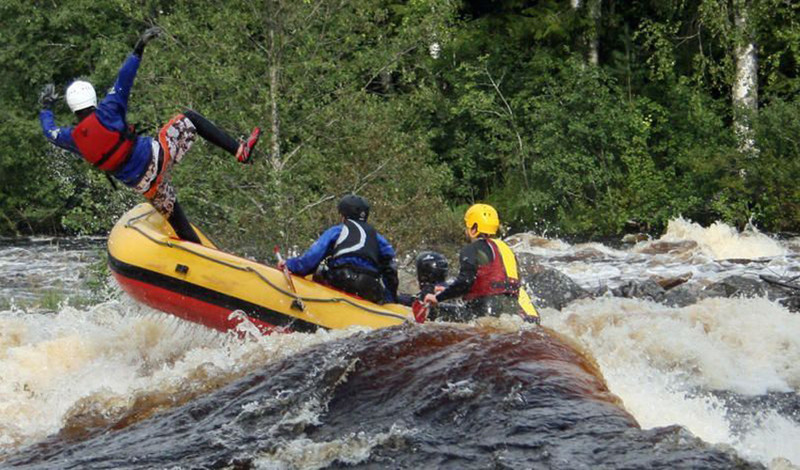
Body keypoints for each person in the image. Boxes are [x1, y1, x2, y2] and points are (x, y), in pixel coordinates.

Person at [38, 26, 261, 243]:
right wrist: (139, 47)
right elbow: (125, 77)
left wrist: (46, 107)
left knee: (178, 222)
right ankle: (239, 150)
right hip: (158, 156)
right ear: (93, 99)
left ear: (72, 107)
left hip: (144, 184)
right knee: (190, 117)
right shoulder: (109, 108)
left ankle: (197, 257)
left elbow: (50, 132)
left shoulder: (73, 138)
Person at [423, 203, 539, 323]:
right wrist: (449, 290)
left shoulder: (472, 249)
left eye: (467, 226)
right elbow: (500, 285)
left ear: (474, 228)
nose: (465, 231)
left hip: (484, 313)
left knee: (433, 311)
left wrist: (437, 298)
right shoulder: (507, 251)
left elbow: (465, 282)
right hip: (512, 313)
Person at [278, 195, 399, 304]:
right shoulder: (380, 240)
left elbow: (310, 260)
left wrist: (290, 265)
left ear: (343, 215)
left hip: (342, 279)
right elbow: (391, 272)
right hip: (369, 286)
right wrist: (390, 300)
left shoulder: (338, 230)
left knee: (320, 271)